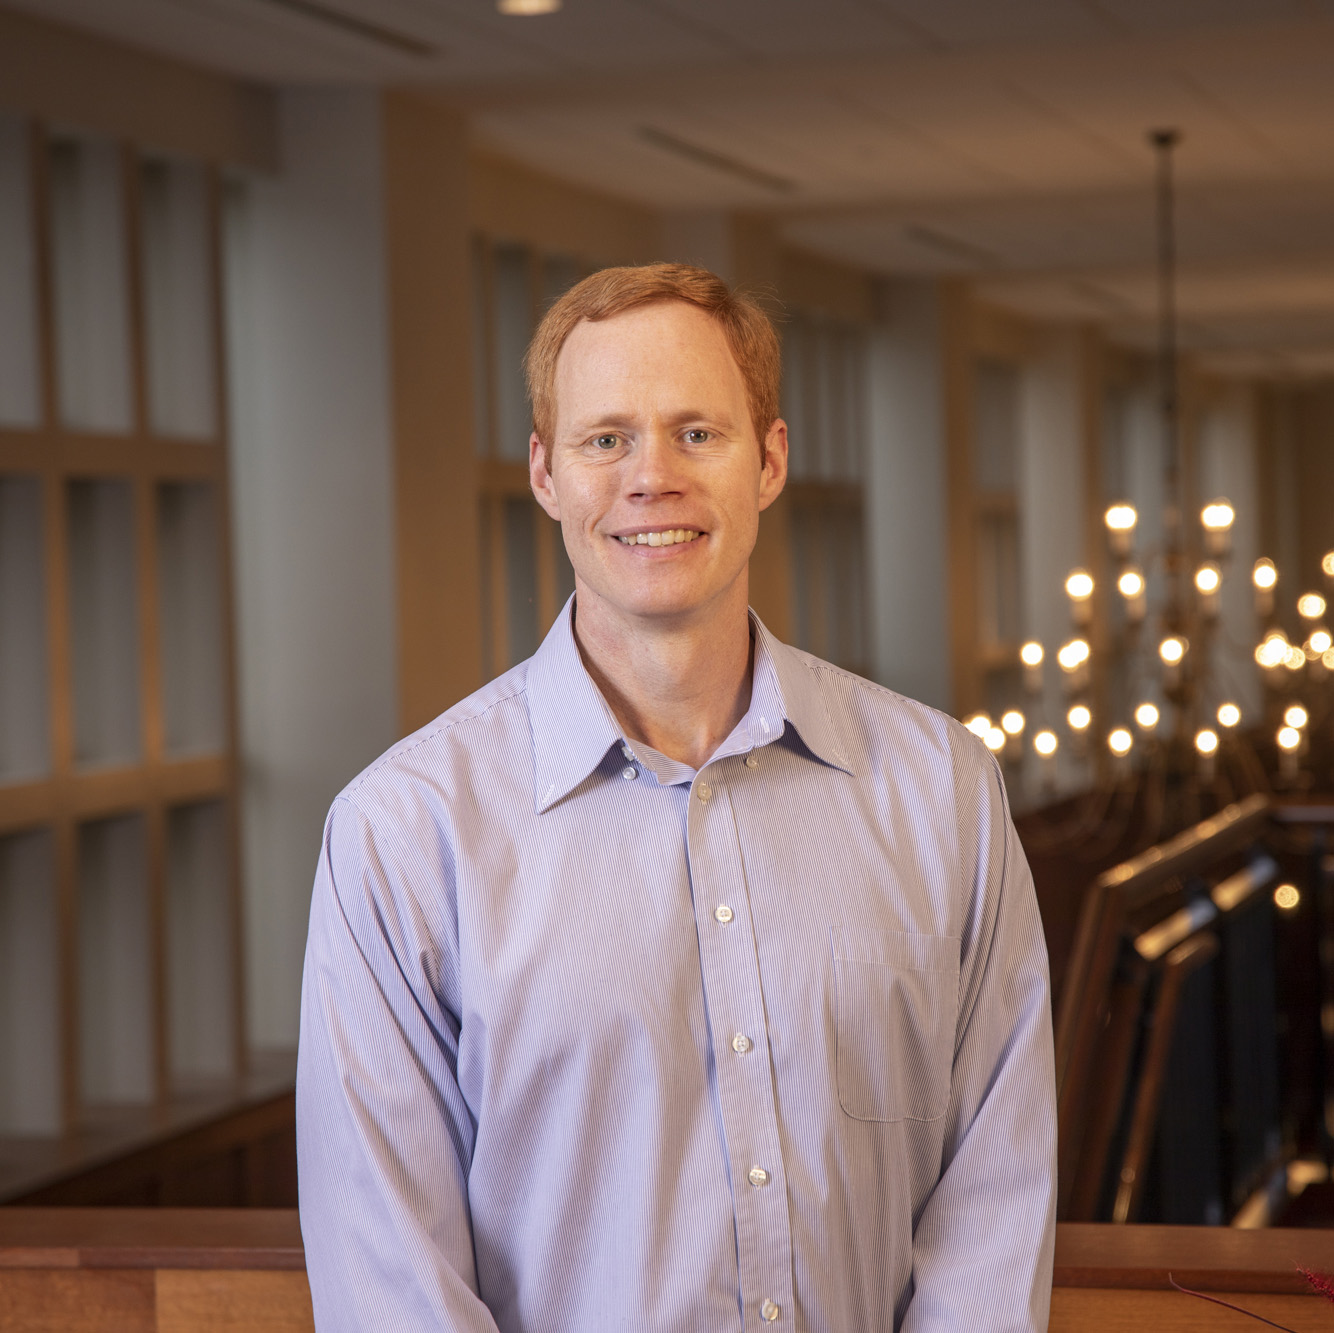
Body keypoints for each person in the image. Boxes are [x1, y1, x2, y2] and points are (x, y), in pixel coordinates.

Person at [296, 262, 1057, 1332]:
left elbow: (996, 1197)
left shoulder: (941, 791)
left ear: (770, 461)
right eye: (604, 439)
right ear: (544, 473)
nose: (649, 476)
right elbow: (391, 1283)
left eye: (696, 432)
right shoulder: (403, 833)